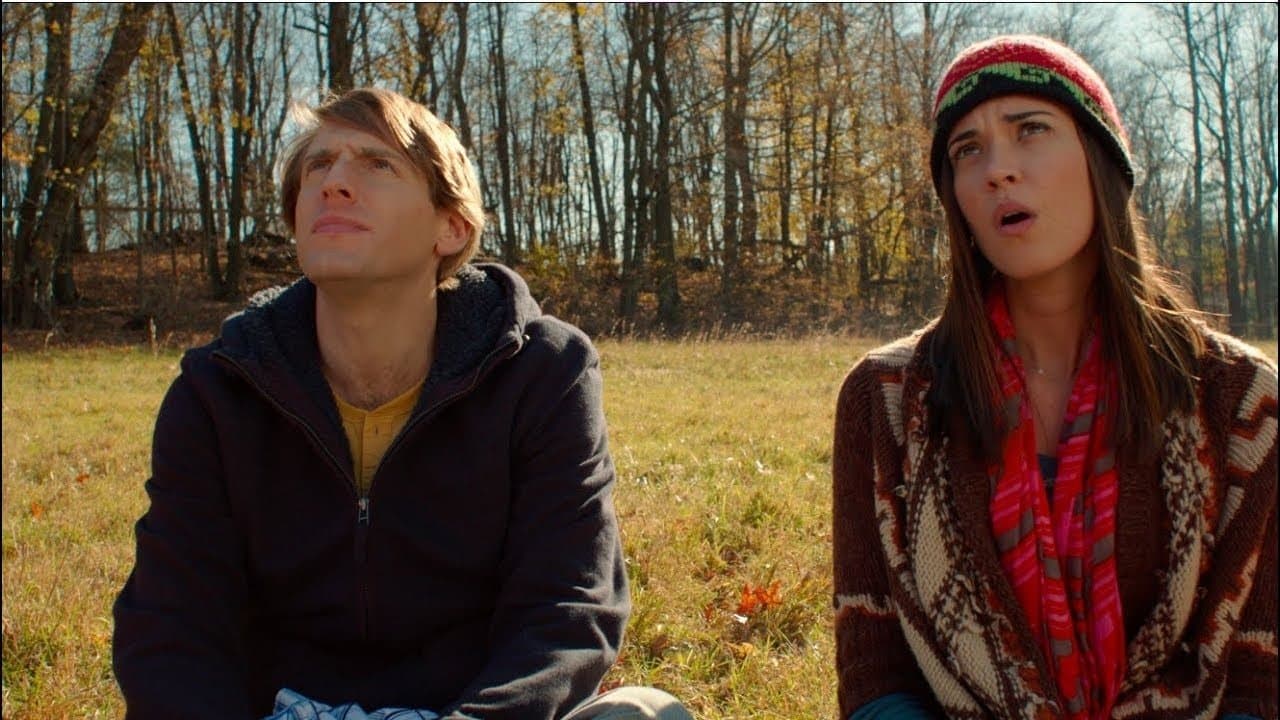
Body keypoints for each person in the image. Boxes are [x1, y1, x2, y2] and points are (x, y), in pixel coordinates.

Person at [113, 87, 691, 720]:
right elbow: (172, 623)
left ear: (452, 226)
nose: (334, 183)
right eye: (318, 165)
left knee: (646, 715)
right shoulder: (217, 388)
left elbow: (567, 609)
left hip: (473, 714)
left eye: (377, 164)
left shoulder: (544, 372)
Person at [832, 35, 1277, 720]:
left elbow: (1258, 676)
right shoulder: (885, 400)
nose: (997, 171)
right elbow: (875, 673)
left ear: (1100, 159)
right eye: (967, 150)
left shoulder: (1242, 401)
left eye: (1030, 130)